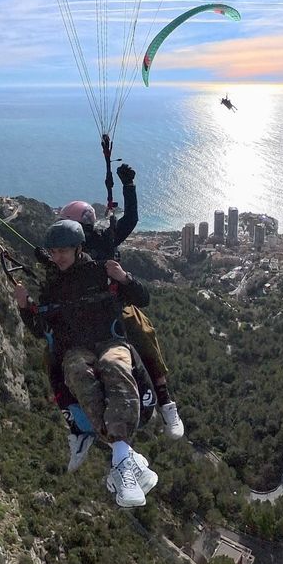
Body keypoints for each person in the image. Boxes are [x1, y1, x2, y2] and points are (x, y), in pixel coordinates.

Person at [17, 220, 159, 507]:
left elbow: (141, 298)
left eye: (63, 252)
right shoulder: (52, 287)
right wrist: (24, 308)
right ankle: (124, 460)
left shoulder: (100, 271)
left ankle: (122, 459)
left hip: (110, 341)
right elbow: (40, 328)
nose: (57, 258)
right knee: (78, 372)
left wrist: (125, 278)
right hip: (76, 350)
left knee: (115, 367)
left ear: (78, 248)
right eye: (54, 252)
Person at [59, 162, 187, 440]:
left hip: (113, 305)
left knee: (140, 329)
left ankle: (165, 400)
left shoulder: (104, 239)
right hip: (81, 312)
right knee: (58, 351)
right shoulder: (65, 251)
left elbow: (130, 219)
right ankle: (74, 421)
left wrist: (129, 187)